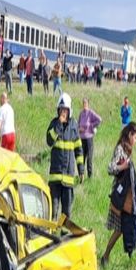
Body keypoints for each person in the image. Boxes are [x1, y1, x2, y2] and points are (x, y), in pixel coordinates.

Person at [100, 122, 136, 267]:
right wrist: (122, 166)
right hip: (121, 196)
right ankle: (105, 256)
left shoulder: (128, 149)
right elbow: (110, 168)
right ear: (129, 134)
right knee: (119, 230)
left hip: (130, 194)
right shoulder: (120, 149)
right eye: (135, 138)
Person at [46, 93, 83, 221]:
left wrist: (81, 170)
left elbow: (79, 149)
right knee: (53, 210)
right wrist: (58, 126)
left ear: (69, 111)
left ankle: (64, 237)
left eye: (65, 110)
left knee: (66, 213)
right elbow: (49, 141)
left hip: (68, 177)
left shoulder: (74, 126)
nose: (63, 112)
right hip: (55, 177)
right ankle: (50, 237)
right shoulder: (54, 123)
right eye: (61, 109)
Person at [78, 97, 103, 179]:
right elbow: (78, 125)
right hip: (82, 139)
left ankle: (90, 177)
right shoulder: (81, 114)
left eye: (86, 103)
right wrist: (79, 129)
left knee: (89, 158)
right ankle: (81, 175)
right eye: (83, 103)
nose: (84, 105)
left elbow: (99, 119)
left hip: (89, 138)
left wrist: (91, 126)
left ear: (88, 104)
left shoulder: (90, 113)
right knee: (82, 158)